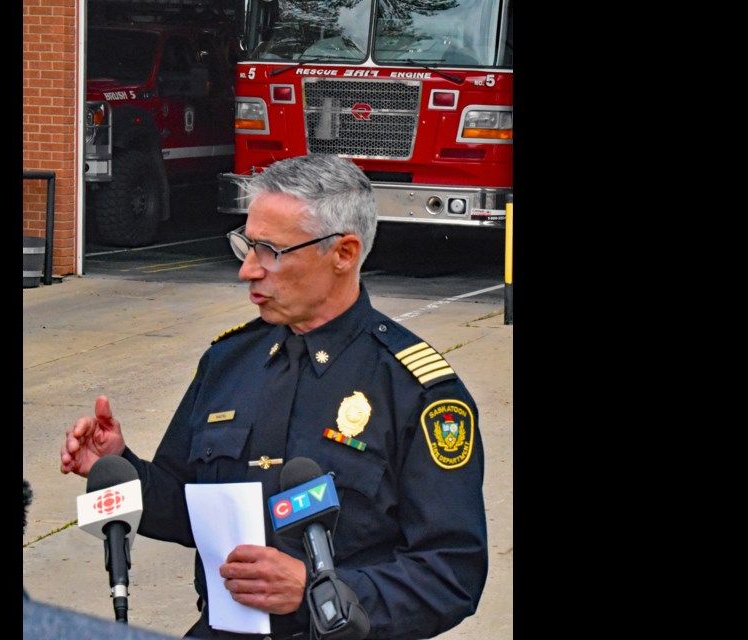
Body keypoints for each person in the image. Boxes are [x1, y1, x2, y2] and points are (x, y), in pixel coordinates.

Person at [60, 154, 487, 640]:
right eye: (246, 243)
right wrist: (120, 465)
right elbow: (189, 508)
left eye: (269, 250)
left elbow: (452, 574)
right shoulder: (228, 361)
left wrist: (321, 589)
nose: (247, 270)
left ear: (343, 254)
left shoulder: (415, 390)